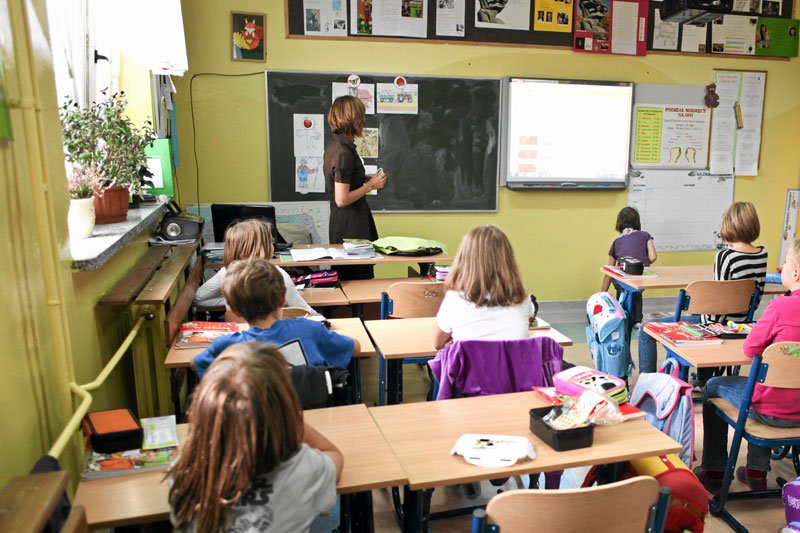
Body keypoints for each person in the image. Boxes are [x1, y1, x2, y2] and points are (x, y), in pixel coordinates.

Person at [170, 342, 343, 532]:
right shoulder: (301, 469)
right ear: (286, 407)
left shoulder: (184, 473)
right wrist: (290, 418)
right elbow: (334, 455)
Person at [693, 238, 800, 494]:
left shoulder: (779, 307)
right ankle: (755, 471)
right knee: (771, 385)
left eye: (784, 263)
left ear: (795, 272)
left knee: (712, 387)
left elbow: (750, 349)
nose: (781, 267)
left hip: (771, 410)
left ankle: (715, 470)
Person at [637, 201, 767, 374]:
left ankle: (649, 381)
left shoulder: (726, 257)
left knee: (646, 328)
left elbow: (716, 308)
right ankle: (704, 377)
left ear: (728, 225)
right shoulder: (762, 254)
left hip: (717, 327)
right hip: (743, 324)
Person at [193, 258, 359, 378]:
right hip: (309, 413)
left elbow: (196, 363)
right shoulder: (310, 329)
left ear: (235, 310)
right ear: (282, 298)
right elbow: (353, 347)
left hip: (256, 420)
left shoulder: (226, 345)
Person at [434, 225, 535, 350]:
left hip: (470, 369)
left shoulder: (454, 299)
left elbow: (438, 344)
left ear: (465, 259)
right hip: (513, 369)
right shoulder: (522, 298)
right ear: (508, 260)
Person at [193, 219, 319, 317]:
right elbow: (305, 312)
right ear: (261, 248)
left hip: (243, 340)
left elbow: (198, 299)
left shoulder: (226, 273)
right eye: (270, 242)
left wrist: (232, 301)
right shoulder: (276, 275)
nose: (273, 246)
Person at [323, 95, 386, 280]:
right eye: (361, 116)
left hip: (347, 223)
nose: (364, 121)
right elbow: (341, 199)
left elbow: (344, 180)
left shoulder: (337, 147)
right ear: (352, 119)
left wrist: (365, 179)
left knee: (354, 277)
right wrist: (370, 186)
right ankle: (358, 311)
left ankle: (358, 310)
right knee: (356, 279)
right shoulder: (343, 152)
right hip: (350, 227)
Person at [601, 206, 656, 328]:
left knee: (622, 288)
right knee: (636, 290)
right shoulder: (646, 235)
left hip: (622, 280)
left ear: (619, 223)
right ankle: (637, 320)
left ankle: (621, 316)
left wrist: (602, 294)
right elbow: (652, 257)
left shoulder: (617, 240)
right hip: (640, 277)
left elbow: (609, 270)